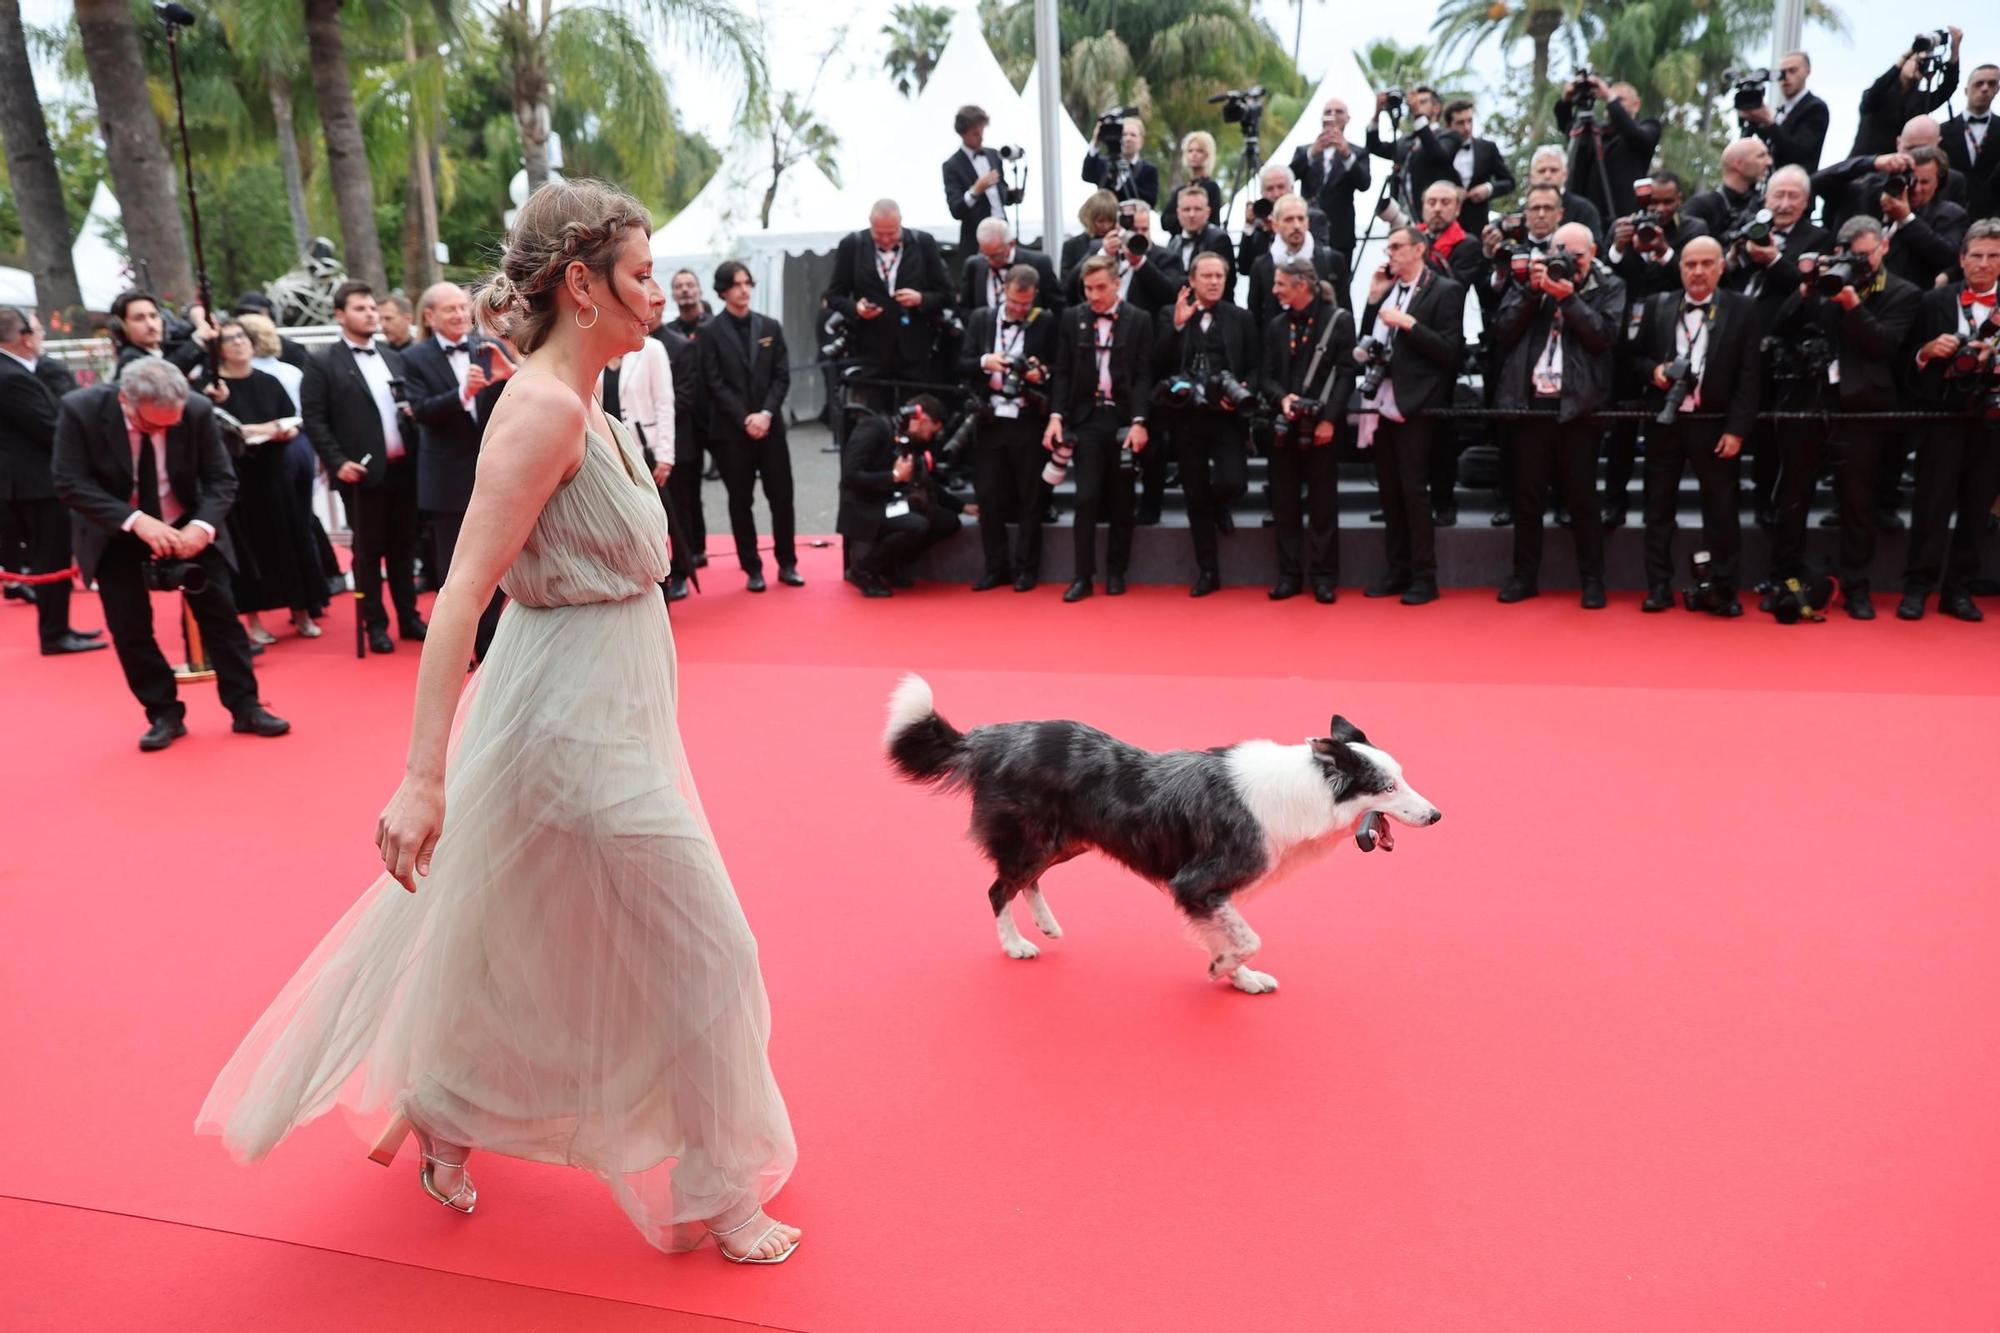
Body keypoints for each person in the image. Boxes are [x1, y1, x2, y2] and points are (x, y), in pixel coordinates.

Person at [197, 177, 801, 1266]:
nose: (658, 293)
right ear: (579, 284)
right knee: (711, 950)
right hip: (572, 735)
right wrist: (424, 778)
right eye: (638, 273)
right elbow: (459, 598)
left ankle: (443, 1105)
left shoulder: (591, 398)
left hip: (598, 713)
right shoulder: (541, 411)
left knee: (527, 947)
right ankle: (721, 1190)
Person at [51, 358, 291, 748]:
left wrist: (202, 527)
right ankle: (163, 712)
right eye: (152, 425)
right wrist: (135, 520)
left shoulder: (195, 410)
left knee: (223, 618)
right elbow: (68, 482)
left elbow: (221, 479)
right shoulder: (81, 410)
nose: (163, 430)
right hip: (117, 530)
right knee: (130, 628)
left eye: (170, 423)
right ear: (126, 402)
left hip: (187, 524)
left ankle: (246, 706)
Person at [1765, 216, 1920, 620]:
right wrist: (1803, 292)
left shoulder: (1903, 293)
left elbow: (1885, 346)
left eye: (1864, 256)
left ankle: (1856, 588)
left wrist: (1852, 306)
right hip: (1808, 402)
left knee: (1857, 503)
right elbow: (1778, 328)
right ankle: (1787, 581)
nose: (1857, 264)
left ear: (1884, 247)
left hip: (1862, 410)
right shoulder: (1822, 284)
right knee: (1793, 498)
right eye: (1850, 256)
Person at [1491, 223, 1622, 609]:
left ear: (1594, 252)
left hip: (1579, 408)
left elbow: (1603, 337)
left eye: (1576, 255)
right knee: (1526, 498)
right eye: (1559, 252)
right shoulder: (1532, 282)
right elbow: (1502, 332)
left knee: (1582, 500)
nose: (1567, 261)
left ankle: (1593, 580)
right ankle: (1524, 577)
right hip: (1532, 406)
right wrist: (1533, 293)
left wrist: (1569, 300)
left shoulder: (1608, 286)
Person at [1629, 237, 1759, 615]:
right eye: (1690, 264)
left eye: (1706, 263)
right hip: (1665, 422)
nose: (1698, 271)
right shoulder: (1658, 305)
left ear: (1721, 267)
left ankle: (1724, 589)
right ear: (1680, 267)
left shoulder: (1743, 309)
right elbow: (1633, 359)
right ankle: (1658, 586)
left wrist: (1737, 430)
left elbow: (1750, 378)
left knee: (1721, 510)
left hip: (1715, 423)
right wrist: (1653, 372)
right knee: (1658, 509)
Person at [302, 280, 426, 654]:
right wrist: (338, 463)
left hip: (404, 467)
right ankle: (375, 623)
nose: (370, 314)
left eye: (373, 308)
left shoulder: (394, 355)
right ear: (340, 315)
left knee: (404, 549)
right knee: (369, 552)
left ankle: (408, 616)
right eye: (360, 308)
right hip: (360, 473)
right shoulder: (322, 361)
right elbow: (314, 418)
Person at [1356, 225, 1466, 605]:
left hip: (1417, 402)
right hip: (1381, 399)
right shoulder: (1388, 289)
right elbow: (1367, 341)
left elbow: (1451, 353)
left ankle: (1425, 576)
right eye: (1388, 247)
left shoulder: (1446, 291)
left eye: (1397, 246)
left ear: (1419, 250)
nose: (1390, 253)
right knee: (1389, 491)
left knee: (1414, 492)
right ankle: (1397, 569)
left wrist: (1412, 325)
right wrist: (1372, 300)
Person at [405, 282, 512, 660]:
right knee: (453, 565)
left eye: (462, 307)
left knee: (500, 561)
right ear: (429, 315)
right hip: (445, 479)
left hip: (492, 473)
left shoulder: (488, 349)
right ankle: (458, 646)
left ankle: (488, 644)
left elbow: (515, 401)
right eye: (449, 309)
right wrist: (460, 395)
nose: (458, 314)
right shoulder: (414, 357)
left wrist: (508, 377)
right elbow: (420, 411)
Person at [1900, 220, 2000, 622]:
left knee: (1977, 507)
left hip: (1993, 420)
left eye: (1993, 256)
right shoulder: (1934, 301)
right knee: (1931, 504)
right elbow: (1906, 362)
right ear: (1961, 259)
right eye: (1975, 255)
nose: (1983, 263)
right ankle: (1917, 588)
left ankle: (1958, 590)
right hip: (1941, 414)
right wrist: (1927, 352)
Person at [210, 320, 328, 645]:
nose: (238, 344)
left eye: (242, 337)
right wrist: (263, 428)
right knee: (249, 549)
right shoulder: (215, 389)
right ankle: (254, 622)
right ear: (218, 348)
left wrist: (278, 430)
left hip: (277, 473)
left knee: (293, 540)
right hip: (240, 479)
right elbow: (222, 430)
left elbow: (291, 418)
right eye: (230, 339)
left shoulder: (269, 380)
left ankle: (302, 612)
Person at [1045, 253, 1154, 601]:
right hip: (1086, 419)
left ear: (1117, 284)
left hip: (1122, 419)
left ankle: (1117, 572)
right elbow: (1061, 371)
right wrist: (1056, 415)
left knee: (1123, 500)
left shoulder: (1139, 319)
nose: (1093, 295)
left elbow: (1143, 376)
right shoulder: (1071, 318)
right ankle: (1082, 576)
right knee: (1086, 497)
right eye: (1088, 289)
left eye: (1100, 288)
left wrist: (1139, 421)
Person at [0, 307, 102, 656]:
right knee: (50, 557)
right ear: (24, 337)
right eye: (40, 330)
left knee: (52, 556)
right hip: (35, 483)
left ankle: (59, 628)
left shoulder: (17, 372)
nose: (43, 336)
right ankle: (55, 633)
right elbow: (48, 427)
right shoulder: (11, 376)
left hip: (32, 480)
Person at [1157, 251, 1258, 596]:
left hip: (1228, 417)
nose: (1214, 282)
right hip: (1187, 419)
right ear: (1192, 280)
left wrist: (1246, 389)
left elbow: (1257, 367)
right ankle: (1208, 570)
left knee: (1235, 482)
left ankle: (1220, 506)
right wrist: (1178, 326)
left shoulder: (1241, 318)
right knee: (1194, 494)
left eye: (1219, 276)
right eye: (1207, 276)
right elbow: (1157, 362)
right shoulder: (1170, 315)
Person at [699, 260, 799, 592]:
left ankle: (788, 563)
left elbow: (781, 375)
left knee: (782, 496)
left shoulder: (770, 326)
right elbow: (714, 383)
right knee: (740, 500)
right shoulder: (710, 332)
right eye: (737, 284)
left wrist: (767, 414)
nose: (744, 290)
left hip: (771, 428)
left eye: (748, 283)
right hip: (733, 432)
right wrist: (745, 418)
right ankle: (752, 566)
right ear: (724, 290)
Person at [1260, 258, 1352, 603]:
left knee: (1323, 504)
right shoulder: (1275, 325)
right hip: (1284, 427)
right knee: (1284, 504)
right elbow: (1265, 374)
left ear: (1301, 285)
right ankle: (1289, 575)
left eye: (1280, 284)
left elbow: (1346, 374)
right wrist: (1281, 399)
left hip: (1322, 429)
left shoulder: (1337, 320)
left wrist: (1329, 419)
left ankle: (1325, 577)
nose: (1274, 290)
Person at [960, 265, 1057, 591]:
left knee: (1030, 497)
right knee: (988, 495)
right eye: (1014, 303)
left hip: (1028, 418)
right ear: (1004, 291)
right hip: (989, 418)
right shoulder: (981, 319)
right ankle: (994, 566)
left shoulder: (1044, 322)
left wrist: (1038, 373)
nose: (1019, 309)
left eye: (1025, 304)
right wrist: (984, 361)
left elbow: (1056, 367)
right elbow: (960, 364)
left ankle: (1026, 569)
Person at [821, 199, 955, 411]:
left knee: (914, 418)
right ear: (870, 224)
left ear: (901, 222)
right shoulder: (853, 245)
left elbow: (947, 295)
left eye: (891, 233)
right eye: (878, 234)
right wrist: (856, 309)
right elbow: (834, 296)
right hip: (872, 350)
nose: (884, 240)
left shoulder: (923, 243)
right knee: (875, 420)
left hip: (915, 350)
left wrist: (920, 299)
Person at [837, 394, 964, 597]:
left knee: (947, 521)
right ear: (922, 419)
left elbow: (924, 482)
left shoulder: (908, 440)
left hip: (892, 501)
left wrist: (962, 507)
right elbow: (850, 477)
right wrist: (893, 477)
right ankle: (864, 569)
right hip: (864, 507)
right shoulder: (874, 428)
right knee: (918, 525)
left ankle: (890, 564)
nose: (931, 437)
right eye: (932, 430)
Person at [1554, 76, 1661, 220]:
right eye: (1608, 100)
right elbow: (1569, 129)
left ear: (1637, 105)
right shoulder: (1596, 132)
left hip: (1625, 215)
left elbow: (1634, 135)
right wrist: (1566, 101)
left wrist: (1609, 97)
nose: (1611, 103)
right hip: (1592, 215)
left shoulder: (1649, 126)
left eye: (1620, 99)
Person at [1244, 193, 1349, 335]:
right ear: (1275, 225)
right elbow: (1254, 319)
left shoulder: (1332, 260)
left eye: (1301, 218)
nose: (1296, 225)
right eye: (1288, 219)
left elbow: (1345, 314)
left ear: (1308, 222)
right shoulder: (1261, 266)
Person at [660, 269, 711, 560]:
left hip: (714, 417)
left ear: (700, 289)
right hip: (683, 422)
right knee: (686, 491)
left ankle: (698, 546)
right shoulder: (671, 333)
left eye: (690, 284)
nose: (685, 290)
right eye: (679, 286)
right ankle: (693, 550)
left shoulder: (714, 326)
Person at [1850, 27, 1963, 157]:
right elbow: (1879, 86)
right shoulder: (1879, 93)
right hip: (1864, 162)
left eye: (1923, 64)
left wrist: (1955, 50)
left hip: (1897, 165)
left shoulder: (1921, 100)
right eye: (1916, 61)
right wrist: (1910, 52)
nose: (1919, 66)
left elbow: (1948, 88)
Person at [1414, 98, 1514, 234]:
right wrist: (1450, 192)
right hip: (1443, 229)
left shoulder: (1487, 148)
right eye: (1460, 123)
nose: (1466, 128)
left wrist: (1488, 189)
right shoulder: (1437, 149)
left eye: (1470, 121)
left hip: (1478, 227)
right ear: (1449, 126)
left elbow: (1509, 182)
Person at [1290, 97, 1369, 259]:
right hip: (1307, 230)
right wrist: (1312, 153)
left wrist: (1347, 155)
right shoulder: (1304, 151)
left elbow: (1364, 184)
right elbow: (1289, 177)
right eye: (1328, 112)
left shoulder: (1357, 153)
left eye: (1338, 111)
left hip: (1340, 233)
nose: (1333, 115)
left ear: (1347, 118)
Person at [1743, 51, 1829, 173]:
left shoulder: (1815, 107)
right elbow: (1773, 145)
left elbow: (1798, 152)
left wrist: (1769, 122)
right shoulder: (1783, 109)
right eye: (1781, 73)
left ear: (1807, 72)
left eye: (1792, 71)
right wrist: (1754, 120)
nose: (1785, 78)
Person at [943, 104, 1012, 256]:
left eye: (982, 131)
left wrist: (1011, 194)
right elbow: (956, 209)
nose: (980, 136)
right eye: (975, 133)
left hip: (1003, 228)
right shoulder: (952, 165)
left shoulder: (993, 155)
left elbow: (1002, 194)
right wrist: (976, 190)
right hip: (977, 237)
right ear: (963, 133)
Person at [961, 217, 1060, 315]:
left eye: (996, 255)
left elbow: (1057, 306)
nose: (990, 261)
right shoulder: (973, 265)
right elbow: (965, 309)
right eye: (985, 254)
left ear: (1011, 244)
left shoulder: (1039, 263)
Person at [1940, 64, 2000, 219]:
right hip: (1950, 214)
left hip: (1993, 216)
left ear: (1997, 89)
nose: (1985, 88)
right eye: (1979, 83)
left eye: (1991, 83)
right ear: (1966, 90)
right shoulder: (1942, 131)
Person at [1081, 114, 1159, 206]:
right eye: (1124, 134)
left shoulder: (1148, 170)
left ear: (1141, 141)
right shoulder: (1105, 163)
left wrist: (1121, 182)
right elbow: (1087, 175)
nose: (1128, 139)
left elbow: (1150, 200)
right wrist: (1096, 143)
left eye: (1133, 135)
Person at [1161, 131, 1224, 237]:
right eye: (1190, 151)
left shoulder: (1212, 188)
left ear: (1207, 155)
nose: (1194, 154)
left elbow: (1213, 222)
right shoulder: (1181, 189)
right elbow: (1165, 222)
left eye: (1199, 151)